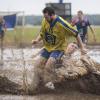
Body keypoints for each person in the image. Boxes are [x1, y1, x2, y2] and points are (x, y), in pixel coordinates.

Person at [31, 7, 86, 92]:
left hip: (59, 49)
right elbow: (42, 33)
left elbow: (76, 34)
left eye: (46, 17)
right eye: (44, 17)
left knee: (48, 66)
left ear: (52, 15)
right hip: (47, 48)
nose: (45, 19)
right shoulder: (44, 21)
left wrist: (82, 48)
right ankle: (34, 85)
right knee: (37, 65)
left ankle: (54, 82)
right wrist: (36, 40)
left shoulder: (61, 23)